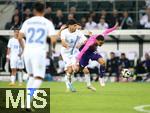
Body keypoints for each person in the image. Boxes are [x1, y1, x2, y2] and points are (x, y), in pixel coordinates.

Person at [18, 2, 56, 111]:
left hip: (28, 51)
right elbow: (53, 39)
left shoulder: (27, 22)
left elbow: (20, 36)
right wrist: (52, 48)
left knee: (31, 76)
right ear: (44, 10)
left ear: (34, 11)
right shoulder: (47, 22)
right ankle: (28, 102)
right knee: (39, 77)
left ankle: (27, 104)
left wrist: (24, 47)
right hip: (38, 51)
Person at [60, 19, 87, 92]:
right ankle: (68, 86)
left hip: (74, 52)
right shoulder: (64, 32)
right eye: (74, 25)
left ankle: (69, 82)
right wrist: (66, 45)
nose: (76, 27)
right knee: (69, 70)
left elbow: (85, 40)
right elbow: (62, 42)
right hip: (65, 53)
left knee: (75, 69)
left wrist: (80, 44)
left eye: (76, 25)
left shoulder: (78, 32)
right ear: (69, 26)